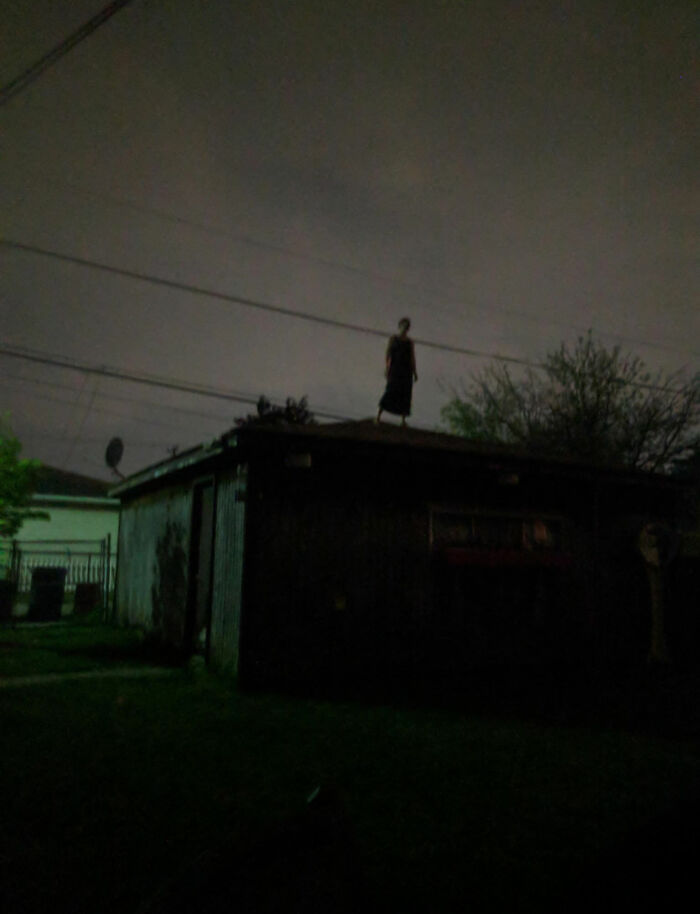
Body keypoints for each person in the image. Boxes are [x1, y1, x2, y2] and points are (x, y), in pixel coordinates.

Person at [376, 317, 417, 426]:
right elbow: (388, 355)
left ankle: (403, 420)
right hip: (395, 369)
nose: (405, 328)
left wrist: (415, 372)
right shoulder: (393, 339)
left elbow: (412, 357)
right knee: (390, 390)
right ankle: (378, 416)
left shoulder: (410, 342)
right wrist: (387, 368)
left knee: (405, 394)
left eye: (407, 326)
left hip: (406, 371)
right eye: (403, 325)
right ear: (399, 326)